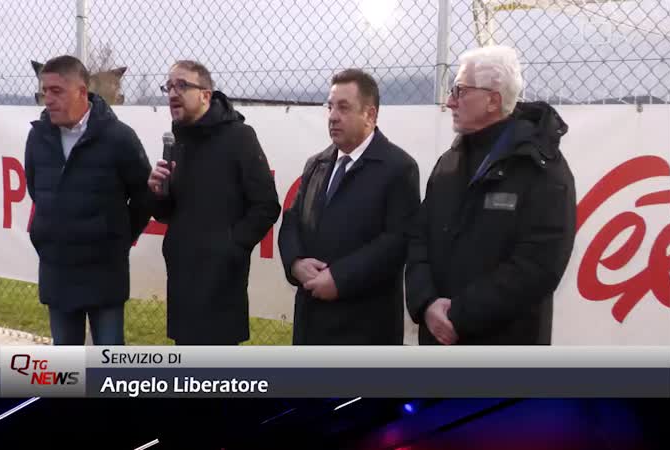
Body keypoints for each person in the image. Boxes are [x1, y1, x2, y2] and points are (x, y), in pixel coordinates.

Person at [405, 45, 576, 345]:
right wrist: (426, 304)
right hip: (435, 341)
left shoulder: (542, 169)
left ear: (492, 100)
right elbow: (419, 238)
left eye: (459, 91)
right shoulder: (449, 161)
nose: (449, 102)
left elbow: (538, 265)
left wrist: (460, 316)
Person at [279, 69, 420, 345]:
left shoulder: (398, 168)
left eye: (343, 107)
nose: (332, 116)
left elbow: (397, 241)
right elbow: (292, 220)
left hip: (364, 327)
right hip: (311, 320)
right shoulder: (316, 164)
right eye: (330, 107)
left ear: (370, 114)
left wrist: (340, 278)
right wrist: (295, 262)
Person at [147, 60, 281, 345]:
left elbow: (266, 205)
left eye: (182, 85)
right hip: (183, 276)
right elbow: (167, 213)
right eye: (168, 86)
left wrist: (231, 247)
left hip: (221, 282)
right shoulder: (177, 140)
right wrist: (158, 193)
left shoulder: (239, 137)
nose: (172, 93)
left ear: (206, 95)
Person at [24, 55, 152, 345]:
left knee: (109, 365)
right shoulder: (38, 138)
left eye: (57, 91)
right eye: (45, 91)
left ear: (82, 91)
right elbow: (38, 192)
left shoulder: (119, 138)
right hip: (57, 270)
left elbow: (144, 198)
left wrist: (117, 237)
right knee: (66, 368)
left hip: (104, 272)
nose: (48, 99)